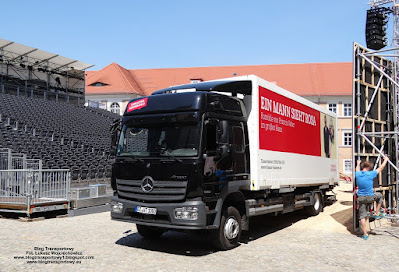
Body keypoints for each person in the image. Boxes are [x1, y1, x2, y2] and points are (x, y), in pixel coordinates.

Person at [355, 155, 389, 240]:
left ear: (363, 166)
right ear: (369, 167)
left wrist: (358, 164)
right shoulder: (371, 174)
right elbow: (381, 168)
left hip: (361, 198)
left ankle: (365, 234)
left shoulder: (357, 174)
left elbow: (356, 169)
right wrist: (386, 160)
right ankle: (376, 213)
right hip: (370, 197)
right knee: (379, 196)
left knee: (362, 216)